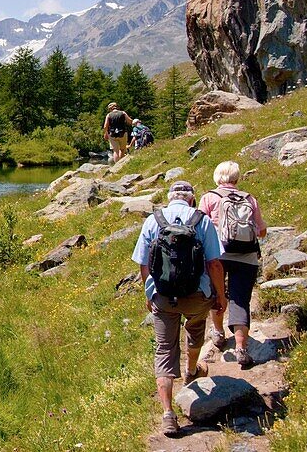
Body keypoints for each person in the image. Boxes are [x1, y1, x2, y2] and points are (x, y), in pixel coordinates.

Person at [131, 180, 226, 438]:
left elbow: (143, 263)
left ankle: (168, 415)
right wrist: (220, 294)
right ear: (192, 199)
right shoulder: (202, 221)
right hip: (197, 295)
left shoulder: (154, 220)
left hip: (163, 296)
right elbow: (215, 263)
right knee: (195, 329)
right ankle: (191, 370)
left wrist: (149, 292)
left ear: (169, 198)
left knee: (164, 350)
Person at [198, 160, 268, 369]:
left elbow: (199, 227)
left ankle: (218, 334)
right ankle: (241, 348)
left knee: (217, 294)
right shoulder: (249, 198)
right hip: (246, 256)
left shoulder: (209, 197)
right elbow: (261, 230)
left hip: (216, 255)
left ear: (217, 177)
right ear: (237, 178)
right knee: (240, 300)